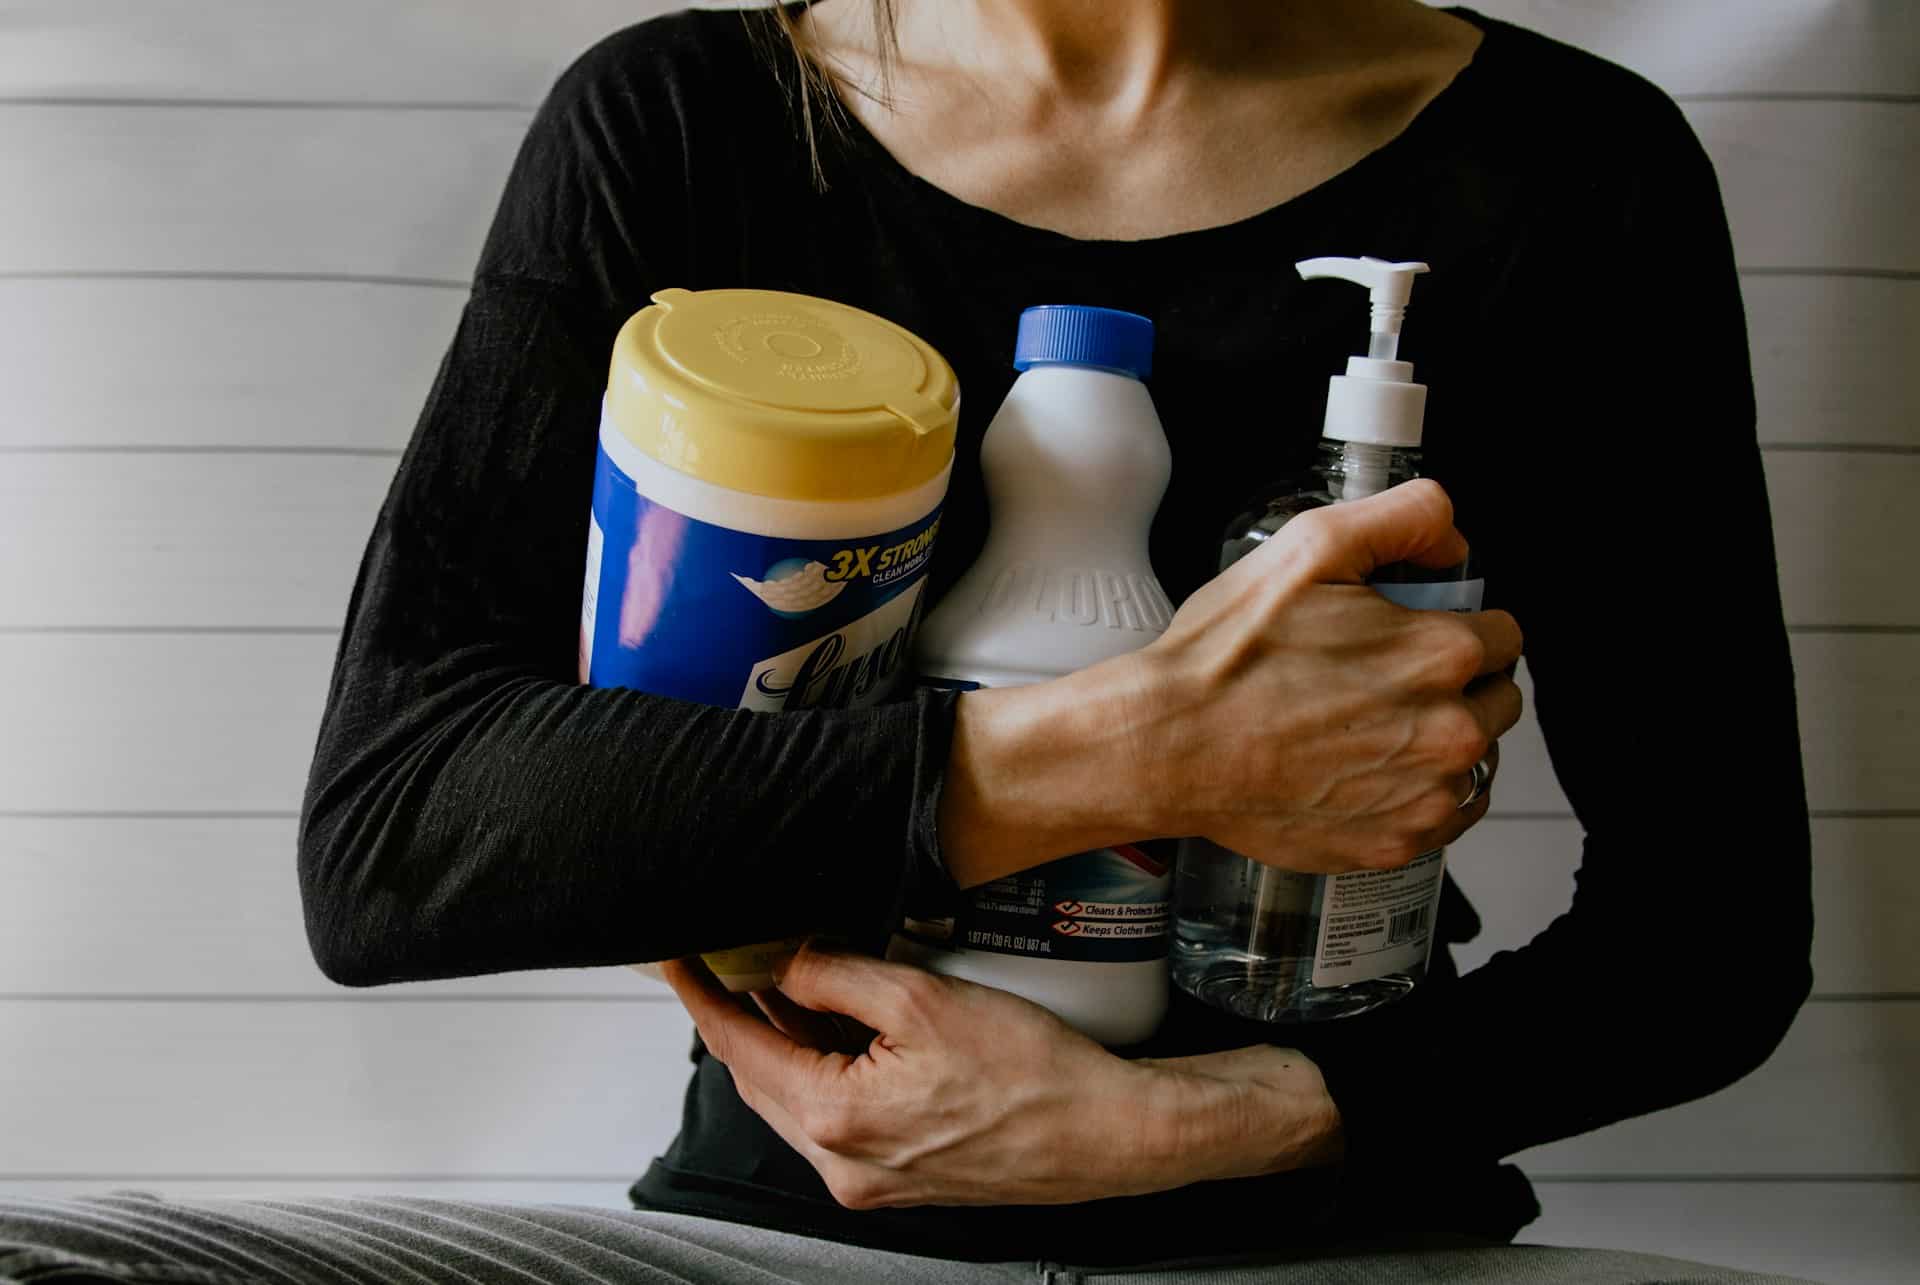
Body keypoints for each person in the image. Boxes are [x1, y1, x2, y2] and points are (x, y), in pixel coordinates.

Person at [0, 2, 1813, 1281]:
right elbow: (399, 840)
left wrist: (1194, 1126)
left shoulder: (1573, 172)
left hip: (1341, 1230)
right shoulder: (692, 121)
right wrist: (1133, 751)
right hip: (789, 1233)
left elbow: (1711, 940)